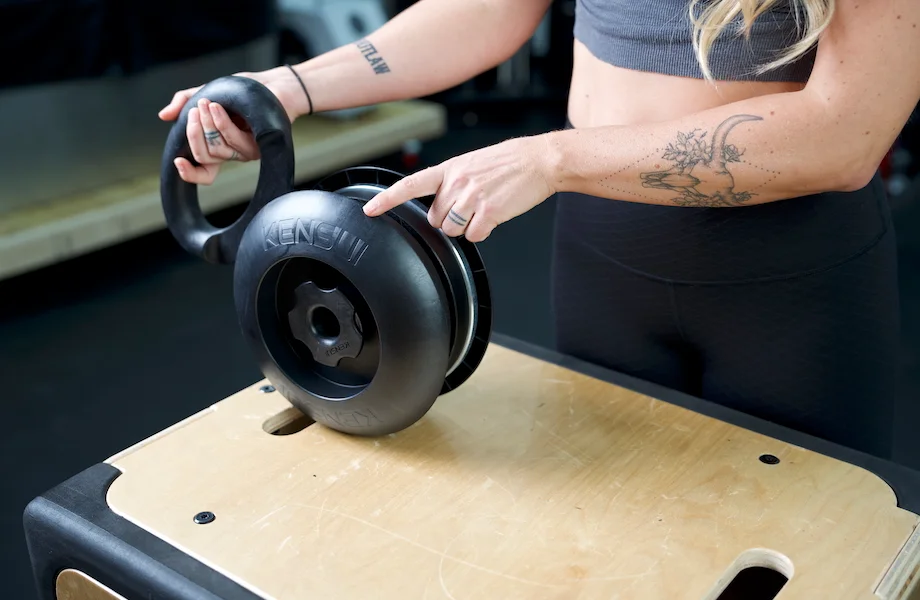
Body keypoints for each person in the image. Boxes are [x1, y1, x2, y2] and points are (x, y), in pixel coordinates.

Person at [159, 0, 920, 459]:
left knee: (806, 557)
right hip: (605, 258)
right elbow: (488, 11)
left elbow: (846, 131)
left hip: (792, 279)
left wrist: (555, 157)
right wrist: (289, 90)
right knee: (611, 541)